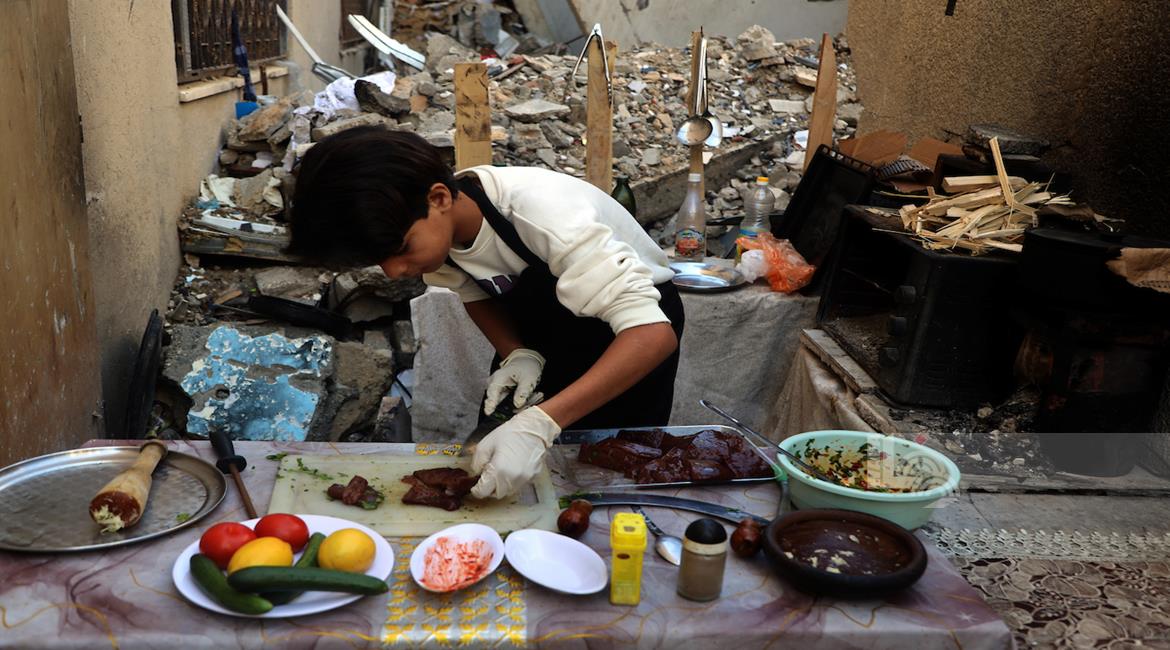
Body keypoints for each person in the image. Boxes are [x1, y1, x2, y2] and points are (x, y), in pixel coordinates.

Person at [288, 126, 684, 499]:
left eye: (401, 249)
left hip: (629, 339)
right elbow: (475, 291)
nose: (394, 271)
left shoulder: (543, 214)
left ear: (439, 199)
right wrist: (516, 353)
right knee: (493, 463)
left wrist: (541, 424)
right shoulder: (438, 229)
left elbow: (652, 334)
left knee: (610, 472)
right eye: (379, 260)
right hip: (544, 336)